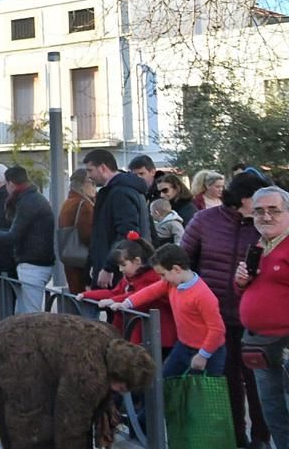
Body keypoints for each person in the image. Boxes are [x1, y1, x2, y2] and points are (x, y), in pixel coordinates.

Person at [181, 170, 270, 448]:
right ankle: (236, 437)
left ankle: (261, 438)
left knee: (259, 381)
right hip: (217, 316)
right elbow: (184, 262)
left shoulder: (266, 225)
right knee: (228, 379)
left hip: (256, 317)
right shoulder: (204, 221)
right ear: (245, 199)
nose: (264, 208)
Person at [0, 312, 155, 449]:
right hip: (20, 348)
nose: (122, 391)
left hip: (21, 332)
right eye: (124, 387)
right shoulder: (89, 373)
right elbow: (71, 425)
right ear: (119, 376)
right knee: (31, 421)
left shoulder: (111, 339)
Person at [112, 244, 226, 378]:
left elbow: (217, 329)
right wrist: (127, 303)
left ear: (176, 269)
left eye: (163, 274)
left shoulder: (202, 295)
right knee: (166, 379)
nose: (162, 279)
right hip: (184, 345)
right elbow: (151, 291)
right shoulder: (171, 283)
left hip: (209, 351)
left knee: (204, 393)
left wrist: (203, 354)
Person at [236, 186, 289, 449]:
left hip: (286, 345)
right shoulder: (260, 245)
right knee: (273, 413)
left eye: (274, 210)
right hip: (261, 344)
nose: (266, 216)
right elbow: (255, 288)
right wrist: (241, 282)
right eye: (259, 211)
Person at [0, 166, 55, 315]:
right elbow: (16, 233)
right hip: (35, 262)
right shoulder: (32, 198)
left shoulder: (27, 202)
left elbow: (13, 236)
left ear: (10, 184)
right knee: (23, 313)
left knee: (30, 315)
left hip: (33, 264)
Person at [79, 232, 176, 353]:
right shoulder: (130, 277)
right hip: (142, 332)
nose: (120, 269)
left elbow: (139, 297)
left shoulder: (151, 277)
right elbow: (114, 293)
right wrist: (87, 295)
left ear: (137, 260)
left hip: (158, 335)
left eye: (123, 265)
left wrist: (113, 301)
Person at [84, 149, 150, 289]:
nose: (89, 176)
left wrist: (109, 267)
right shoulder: (121, 191)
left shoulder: (120, 193)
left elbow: (127, 233)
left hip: (119, 272)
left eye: (90, 170)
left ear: (103, 168)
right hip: (120, 268)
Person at [59, 169, 97, 294]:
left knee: (75, 295)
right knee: (85, 298)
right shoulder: (84, 204)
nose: (94, 187)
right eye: (92, 183)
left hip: (70, 258)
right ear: (83, 184)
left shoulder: (68, 203)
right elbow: (87, 235)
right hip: (82, 261)